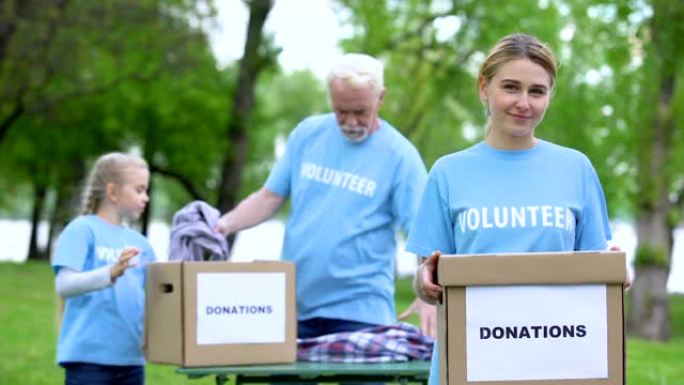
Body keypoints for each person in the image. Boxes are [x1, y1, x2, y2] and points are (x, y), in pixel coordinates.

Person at [405, 33, 613, 385]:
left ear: (550, 95)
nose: (523, 102)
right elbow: (427, 275)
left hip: (556, 359)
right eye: (511, 87)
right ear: (484, 88)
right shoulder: (448, 172)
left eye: (537, 91)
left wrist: (618, 272)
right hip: (469, 359)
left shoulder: (575, 168)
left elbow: (594, 274)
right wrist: (425, 283)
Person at [215, 53, 436, 342]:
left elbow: (422, 231)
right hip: (294, 306)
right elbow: (269, 197)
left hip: (362, 313)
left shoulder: (400, 156)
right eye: (341, 111)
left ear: (380, 98)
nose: (350, 121)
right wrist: (221, 225)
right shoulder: (308, 134)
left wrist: (428, 291)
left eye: (360, 111)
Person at [52, 152, 156, 385]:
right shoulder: (81, 230)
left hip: (131, 360)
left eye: (146, 190)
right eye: (139, 190)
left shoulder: (142, 244)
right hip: (89, 362)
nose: (146, 198)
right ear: (112, 192)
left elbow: (158, 296)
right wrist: (110, 272)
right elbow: (64, 286)